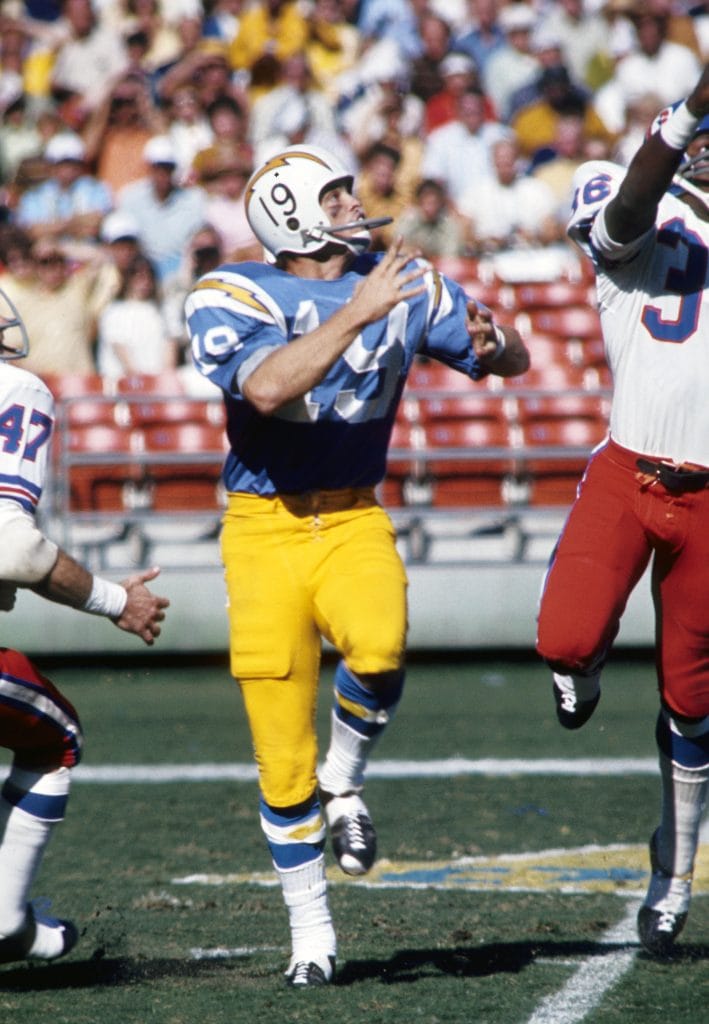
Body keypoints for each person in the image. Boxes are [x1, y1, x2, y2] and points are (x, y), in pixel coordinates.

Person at [184, 143, 530, 987]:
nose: (352, 203)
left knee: (377, 649)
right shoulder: (234, 290)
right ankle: (311, 931)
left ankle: (347, 780)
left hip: (350, 512)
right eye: (333, 194)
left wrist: (500, 339)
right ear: (292, 214)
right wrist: (357, 311)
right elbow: (264, 389)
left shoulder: (401, 277)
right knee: (278, 750)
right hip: (262, 526)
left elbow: (506, 361)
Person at [535, 66, 709, 958]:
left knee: (692, 701)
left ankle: (672, 872)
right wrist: (687, 112)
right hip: (628, 468)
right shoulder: (636, 198)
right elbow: (627, 212)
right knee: (563, 639)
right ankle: (588, 666)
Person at [0, 289, 169, 966]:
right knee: (54, 737)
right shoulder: (14, 388)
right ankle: (7, 919)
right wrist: (111, 600)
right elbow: (13, 547)